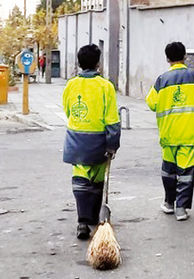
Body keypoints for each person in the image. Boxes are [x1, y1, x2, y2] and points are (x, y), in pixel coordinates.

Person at [145, 42, 194, 221]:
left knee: (168, 169)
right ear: (185, 57)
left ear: (167, 59)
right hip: (190, 133)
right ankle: (181, 209)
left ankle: (169, 203)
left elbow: (151, 103)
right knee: (185, 171)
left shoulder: (162, 80)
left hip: (169, 133)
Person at [62, 44, 121, 239]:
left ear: (79, 63)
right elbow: (112, 120)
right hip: (98, 142)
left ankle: (82, 221)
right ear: (98, 63)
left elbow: (68, 110)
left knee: (80, 180)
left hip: (76, 139)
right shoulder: (105, 86)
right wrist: (113, 144)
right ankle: (94, 219)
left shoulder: (71, 85)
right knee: (96, 180)